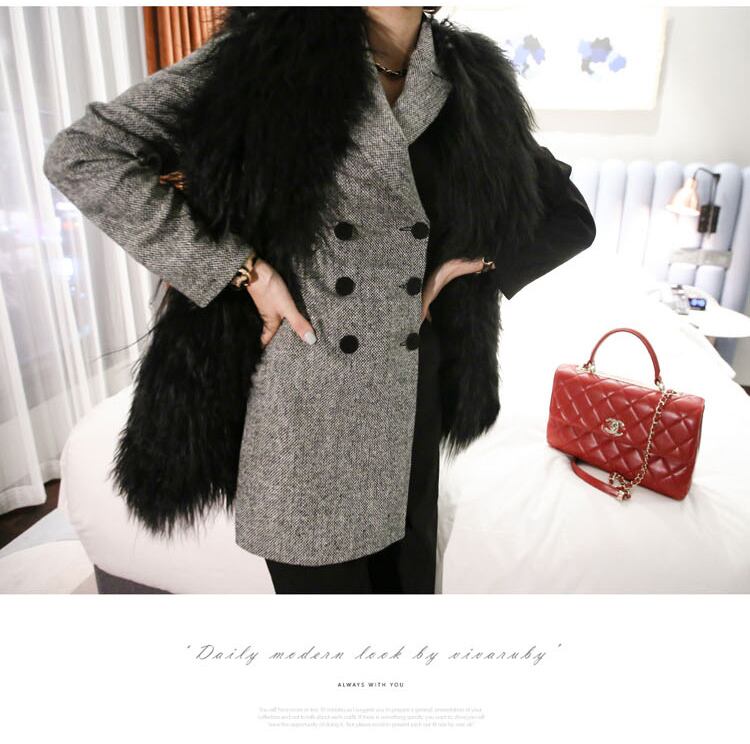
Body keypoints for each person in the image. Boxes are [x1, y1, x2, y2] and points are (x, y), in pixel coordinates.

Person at [42, 7, 596, 595]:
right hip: (306, 396)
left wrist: (469, 265)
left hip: (412, 393)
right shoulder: (271, 53)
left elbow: (569, 219)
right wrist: (243, 270)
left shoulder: (470, 80)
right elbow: (82, 155)